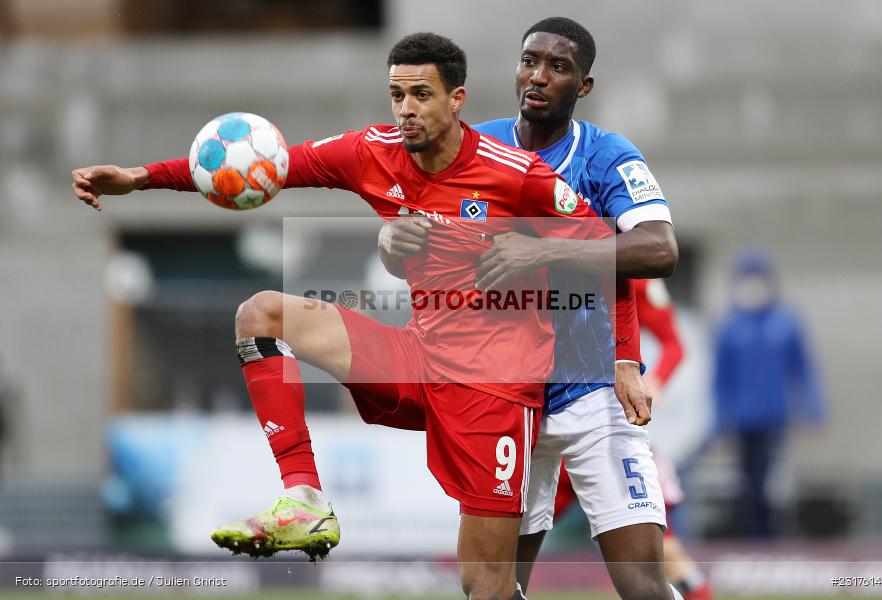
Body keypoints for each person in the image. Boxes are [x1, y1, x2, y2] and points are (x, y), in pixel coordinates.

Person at [72, 32, 631, 600]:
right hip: (418, 358)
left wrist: (625, 357)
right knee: (261, 314)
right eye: (396, 95)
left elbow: (610, 258)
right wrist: (140, 178)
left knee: (485, 588)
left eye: (421, 94)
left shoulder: (517, 173)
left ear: (457, 99)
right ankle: (305, 499)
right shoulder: (373, 150)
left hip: (496, 392)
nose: (406, 110)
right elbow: (270, 165)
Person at [377, 17, 681, 600]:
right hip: (503, 400)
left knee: (643, 587)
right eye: (529, 61)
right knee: (492, 590)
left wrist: (539, 252)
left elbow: (659, 249)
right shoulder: (472, 147)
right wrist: (392, 243)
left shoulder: (606, 157)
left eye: (558, 67)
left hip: (593, 395)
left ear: (583, 85)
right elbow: (411, 244)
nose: (537, 77)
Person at [553, 278, 714, 600]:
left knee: (659, 557)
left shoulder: (628, 268)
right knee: (512, 544)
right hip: (547, 431)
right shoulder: (530, 253)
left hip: (608, 430)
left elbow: (673, 345)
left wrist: (657, 381)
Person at [713, 247, 825, 538]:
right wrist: (720, 423)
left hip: (776, 417)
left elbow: (802, 370)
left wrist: (811, 410)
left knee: (774, 485)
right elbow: (721, 380)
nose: (753, 286)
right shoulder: (731, 327)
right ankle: (750, 537)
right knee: (745, 483)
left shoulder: (785, 322)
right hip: (743, 420)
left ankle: (773, 538)